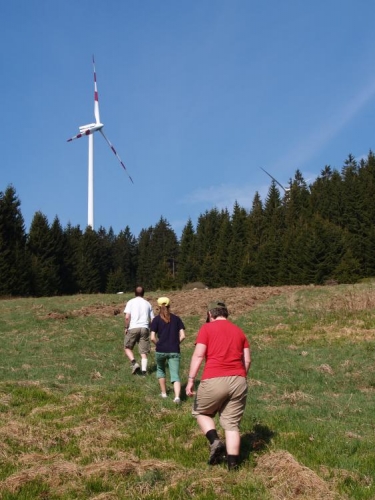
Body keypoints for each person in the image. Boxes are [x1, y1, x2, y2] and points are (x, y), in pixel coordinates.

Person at [186, 300, 251, 470]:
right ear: (225, 313)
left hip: (214, 378)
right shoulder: (239, 331)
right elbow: (247, 359)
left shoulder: (206, 328)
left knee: (201, 412)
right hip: (239, 380)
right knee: (231, 424)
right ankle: (233, 466)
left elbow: (199, 355)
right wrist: (241, 376)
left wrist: (191, 380)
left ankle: (215, 441)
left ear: (210, 314)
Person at [150, 296, 186, 403]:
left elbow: (152, 337)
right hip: (174, 350)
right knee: (175, 374)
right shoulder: (177, 319)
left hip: (161, 350)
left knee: (161, 370)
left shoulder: (156, 320)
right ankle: (177, 397)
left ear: (158, 307)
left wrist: (158, 344)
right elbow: (183, 335)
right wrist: (175, 343)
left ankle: (164, 394)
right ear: (169, 305)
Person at [124, 286, 155, 375]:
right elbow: (153, 319)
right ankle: (144, 372)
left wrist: (126, 327)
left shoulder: (130, 302)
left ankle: (134, 363)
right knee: (143, 351)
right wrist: (151, 329)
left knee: (127, 347)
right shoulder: (148, 304)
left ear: (135, 293)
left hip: (133, 327)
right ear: (143, 293)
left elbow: (127, 317)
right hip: (145, 328)